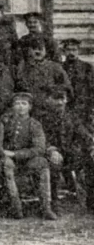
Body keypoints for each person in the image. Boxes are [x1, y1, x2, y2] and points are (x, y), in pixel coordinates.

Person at [35, 87, 92, 216]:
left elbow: (83, 134)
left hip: (69, 154)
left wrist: (91, 147)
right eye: (56, 99)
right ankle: (54, 202)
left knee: (89, 161)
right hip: (49, 153)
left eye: (62, 99)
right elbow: (39, 139)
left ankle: (91, 201)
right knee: (53, 165)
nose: (60, 102)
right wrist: (51, 150)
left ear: (66, 100)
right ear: (48, 100)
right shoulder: (41, 118)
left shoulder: (71, 117)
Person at [0, 92, 57, 220]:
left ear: (30, 107)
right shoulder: (5, 122)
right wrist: (5, 153)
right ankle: (16, 207)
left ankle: (46, 207)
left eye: (24, 104)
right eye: (17, 103)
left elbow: (39, 148)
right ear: (13, 106)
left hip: (27, 159)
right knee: (6, 164)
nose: (20, 107)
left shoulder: (35, 124)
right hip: (7, 158)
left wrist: (16, 154)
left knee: (42, 163)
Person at [15, 36, 71, 109]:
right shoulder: (23, 68)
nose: (37, 52)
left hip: (50, 107)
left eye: (40, 49)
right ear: (29, 51)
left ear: (45, 51)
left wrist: (52, 91)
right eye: (34, 49)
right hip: (30, 108)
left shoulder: (55, 67)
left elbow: (67, 87)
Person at [61, 39, 93, 122]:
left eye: (74, 50)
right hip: (66, 106)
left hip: (83, 106)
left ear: (78, 51)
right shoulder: (60, 67)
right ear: (64, 51)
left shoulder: (87, 67)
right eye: (68, 50)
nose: (71, 52)